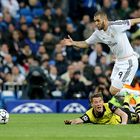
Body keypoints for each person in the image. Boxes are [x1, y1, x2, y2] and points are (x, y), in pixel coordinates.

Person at [61, 11, 140, 97]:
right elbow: (86, 43)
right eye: (95, 21)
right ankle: (131, 109)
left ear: (105, 20)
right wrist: (73, 43)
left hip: (129, 61)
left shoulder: (116, 25)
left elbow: (133, 21)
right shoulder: (98, 33)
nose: (96, 23)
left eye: (98, 20)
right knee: (116, 94)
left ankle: (138, 94)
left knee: (114, 90)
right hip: (118, 62)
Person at [64, 92, 140, 125]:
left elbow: (124, 115)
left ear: (103, 102)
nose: (98, 104)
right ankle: (128, 98)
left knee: (138, 117)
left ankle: (137, 99)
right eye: (96, 102)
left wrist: (123, 124)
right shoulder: (89, 114)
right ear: (92, 104)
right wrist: (71, 121)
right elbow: (79, 120)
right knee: (127, 108)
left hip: (124, 118)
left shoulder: (109, 106)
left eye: (100, 101)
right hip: (121, 116)